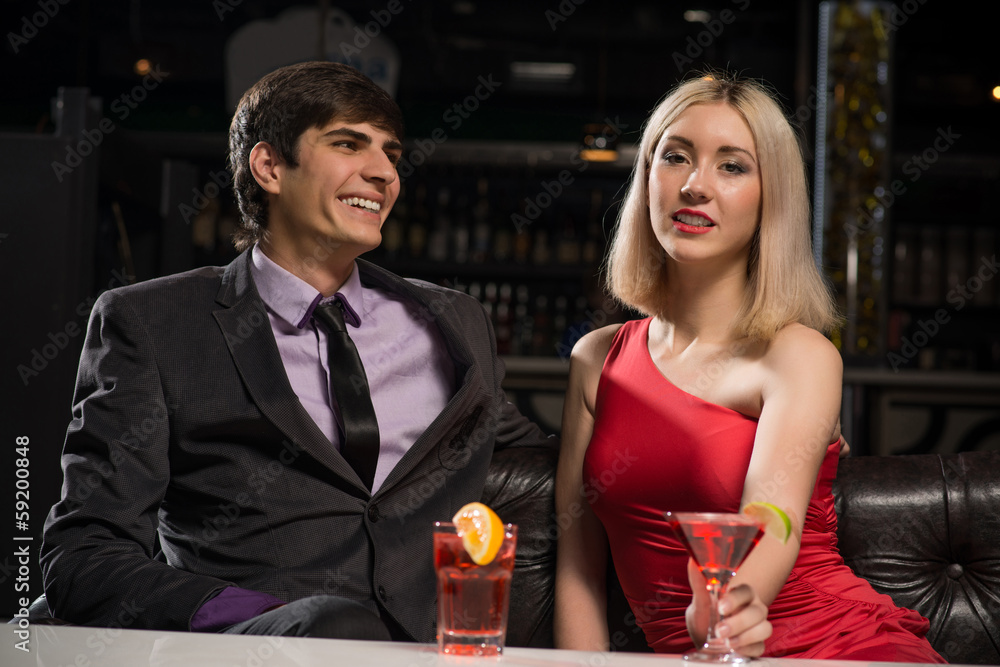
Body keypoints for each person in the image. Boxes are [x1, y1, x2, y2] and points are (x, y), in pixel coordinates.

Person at [40, 61, 552, 641]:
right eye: (349, 143)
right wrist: (258, 619)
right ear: (269, 167)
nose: (384, 173)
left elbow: (547, 454)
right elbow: (83, 553)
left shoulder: (455, 323)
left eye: (392, 154)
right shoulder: (152, 322)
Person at [554, 73, 945, 662]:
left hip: (832, 642)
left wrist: (725, 602)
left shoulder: (799, 355)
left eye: (732, 166)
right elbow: (577, 565)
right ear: (646, 178)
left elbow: (773, 517)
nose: (694, 185)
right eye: (675, 157)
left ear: (771, 198)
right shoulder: (596, 358)